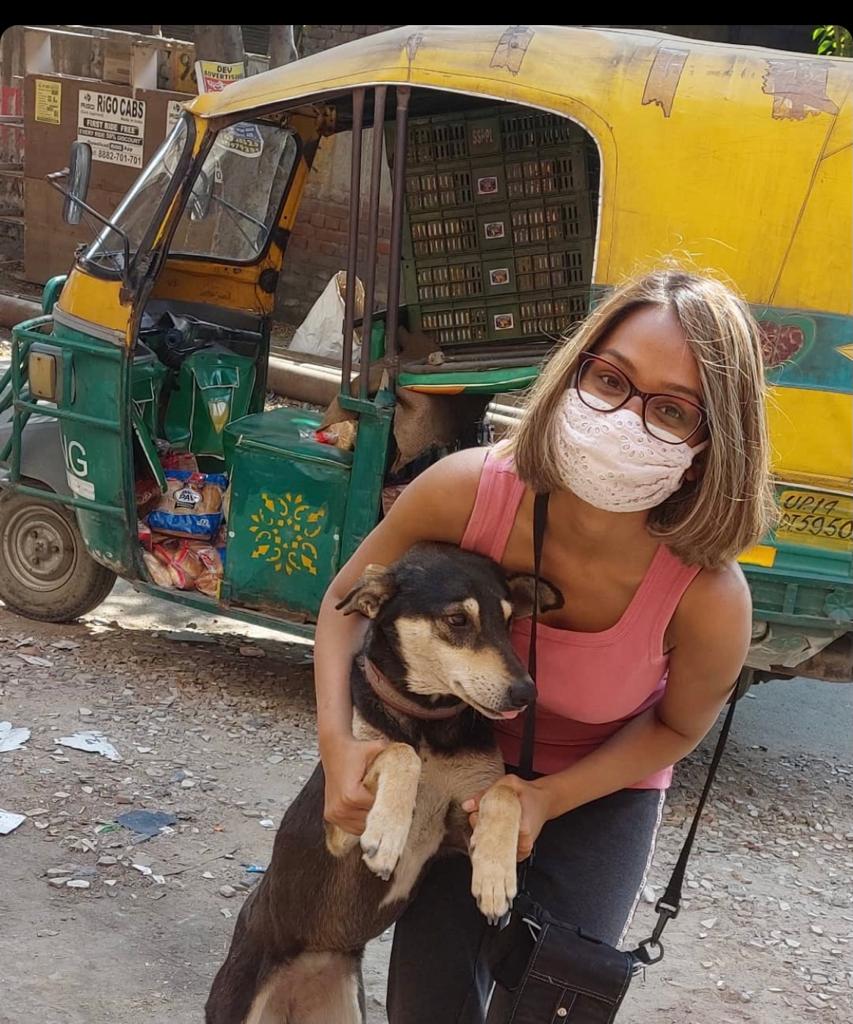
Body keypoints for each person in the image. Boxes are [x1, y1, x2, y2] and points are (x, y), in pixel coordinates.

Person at [313, 268, 776, 1022]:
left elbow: (676, 728)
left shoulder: (707, 596)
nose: (625, 418)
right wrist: (339, 743)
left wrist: (545, 797)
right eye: (609, 379)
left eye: (670, 409)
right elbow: (345, 607)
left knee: (550, 1004)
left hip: (601, 789)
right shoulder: (466, 492)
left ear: (712, 442)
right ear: (572, 371)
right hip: (455, 753)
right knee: (426, 1004)